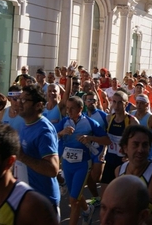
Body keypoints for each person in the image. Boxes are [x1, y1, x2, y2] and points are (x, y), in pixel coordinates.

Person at [57, 96, 110, 225]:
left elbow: (107, 140)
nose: (69, 111)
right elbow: (51, 136)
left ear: (81, 108)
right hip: (67, 165)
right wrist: (62, 133)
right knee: (74, 194)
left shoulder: (90, 122)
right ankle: (87, 210)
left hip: (82, 165)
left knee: (73, 200)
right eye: (67, 108)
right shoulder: (64, 122)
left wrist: (90, 138)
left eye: (72, 109)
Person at [16, 85, 60, 220]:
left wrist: (22, 156)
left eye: (24, 100)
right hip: (27, 197)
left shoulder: (44, 130)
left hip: (43, 201)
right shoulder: (25, 124)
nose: (19, 103)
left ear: (38, 105)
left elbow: (53, 169)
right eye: (19, 99)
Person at [100, 91, 139, 197]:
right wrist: (103, 151)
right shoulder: (109, 118)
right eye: (114, 102)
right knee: (104, 194)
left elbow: (139, 142)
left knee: (123, 195)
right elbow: (107, 138)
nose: (116, 106)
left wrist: (130, 157)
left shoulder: (132, 121)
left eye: (120, 103)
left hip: (124, 162)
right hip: (110, 159)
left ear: (126, 104)